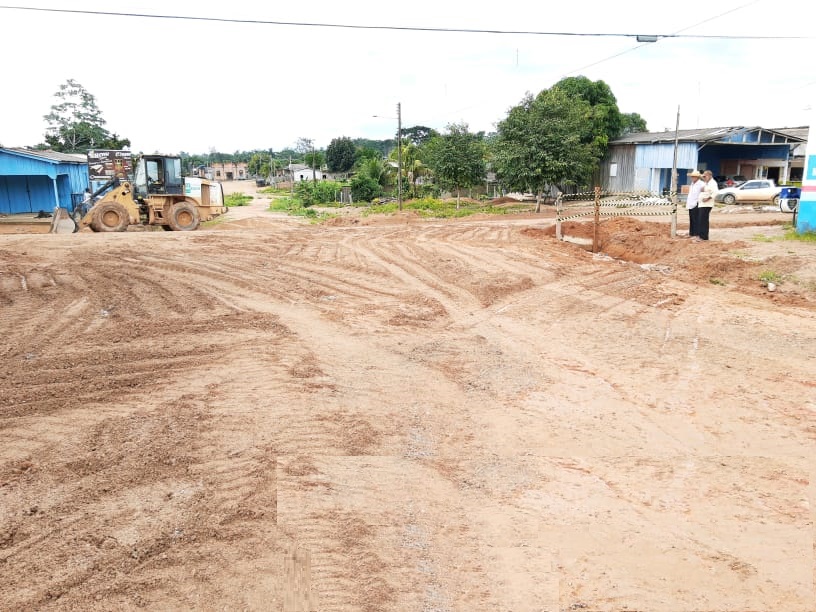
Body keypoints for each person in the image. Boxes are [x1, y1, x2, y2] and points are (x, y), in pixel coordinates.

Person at [697, 170, 719, 241]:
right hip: (702, 204)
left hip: (707, 204)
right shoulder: (707, 183)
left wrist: (707, 199)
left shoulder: (713, 183)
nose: (704, 177)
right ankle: (701, 236)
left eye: (705, 176)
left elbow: (715, 192)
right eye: (703, 176)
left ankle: (704, 237)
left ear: (709, 176)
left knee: (703, 221)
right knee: (701, 220)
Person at [685, 170, 704, 239]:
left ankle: (696, 234)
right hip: (691, 203)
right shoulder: (692, 184)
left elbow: (702, 193)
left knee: (696, 219)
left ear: (697, 177)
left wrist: (699, 201)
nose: (692, 178)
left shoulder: (701, 184)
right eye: (692, 177)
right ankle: (691, 233)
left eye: (694, 177)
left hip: (696, 203)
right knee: (692, 219)